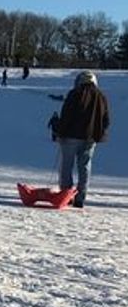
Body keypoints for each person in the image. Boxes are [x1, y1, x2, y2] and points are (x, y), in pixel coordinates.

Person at [56, 71, 110, 208]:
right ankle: (80, 197)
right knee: (84, 167)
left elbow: (66, 114)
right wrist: (100, 133)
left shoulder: (75, 93)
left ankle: (66, 195)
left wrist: (60, 132)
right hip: (90, 138)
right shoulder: (101, 96)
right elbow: (106, 119)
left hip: (71, 136)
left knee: (66, 166)